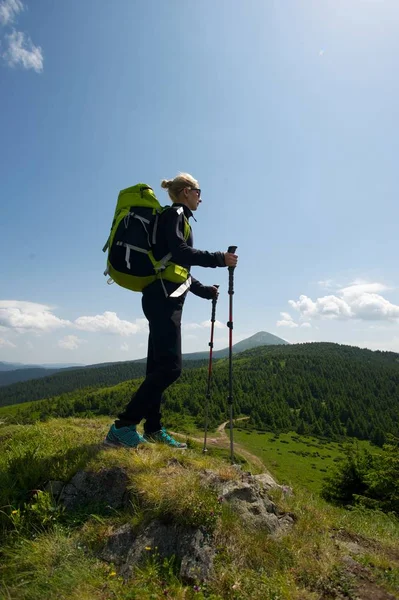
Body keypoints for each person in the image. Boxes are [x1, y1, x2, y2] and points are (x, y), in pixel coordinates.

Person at [105, 173, 238, 449]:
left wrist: (205, 291)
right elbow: (180, 253)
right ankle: (123, 426)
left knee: (157, 367)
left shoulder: (176, 217)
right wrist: (219, 259)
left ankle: (153, 428)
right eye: (199, 191)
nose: (201, 197)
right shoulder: (176, 213)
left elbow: (176, 269)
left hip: (161, 295)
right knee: (170, 368)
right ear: (186, 191)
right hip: (164, 299)